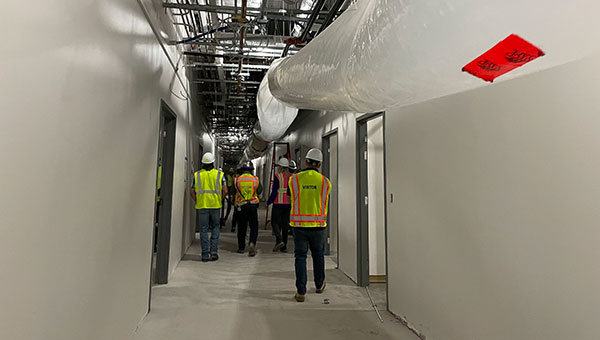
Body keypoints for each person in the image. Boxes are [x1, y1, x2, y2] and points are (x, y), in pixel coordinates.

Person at [288, 149, 331, 302]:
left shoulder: (294, 180)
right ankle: (319, 285)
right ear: (319, 164)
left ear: (306, 161)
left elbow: (291, 196)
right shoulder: (326, 182)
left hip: (298, 226)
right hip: (318, 226)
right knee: (318, 255)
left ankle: (301, 291)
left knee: (300, 257)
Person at [189, 152, 227, 262]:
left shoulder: (197, 175)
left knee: (203, 230)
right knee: (215, 227)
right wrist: (220, 199)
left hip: (202, 206)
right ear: (213, 162)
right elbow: (225, 190)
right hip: (215, 205)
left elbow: (192, 192)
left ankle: (205, 255)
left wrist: (199, 200)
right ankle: (214, 252)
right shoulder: (220, 174)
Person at [235, 162, 263, 257]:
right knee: (254, 226)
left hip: (241, 205)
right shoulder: (255, 180)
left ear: (242, 169)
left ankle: (241, 247)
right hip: (252, 205)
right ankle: (252, 243)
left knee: (242, 227)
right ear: (251, 170)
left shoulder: (237, 180)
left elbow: (235, 192)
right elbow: (259, 191)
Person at [267, 157, 292, 252]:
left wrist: (269, 201)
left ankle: (279, 239)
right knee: (285, 225)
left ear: (280, 167)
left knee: (274, 222)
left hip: (278, 202)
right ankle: (284, 246)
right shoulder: (291, 177)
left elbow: (274, 191)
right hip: (288, 203)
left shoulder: (278, 177)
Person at [230, 168, 243, 232]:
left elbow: (233, 190)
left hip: (237, 200)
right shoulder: (246, 179)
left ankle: (233, 226)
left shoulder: (236, 179)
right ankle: (241, 228)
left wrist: (232, 197)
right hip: (245, 200)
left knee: (235, 214)